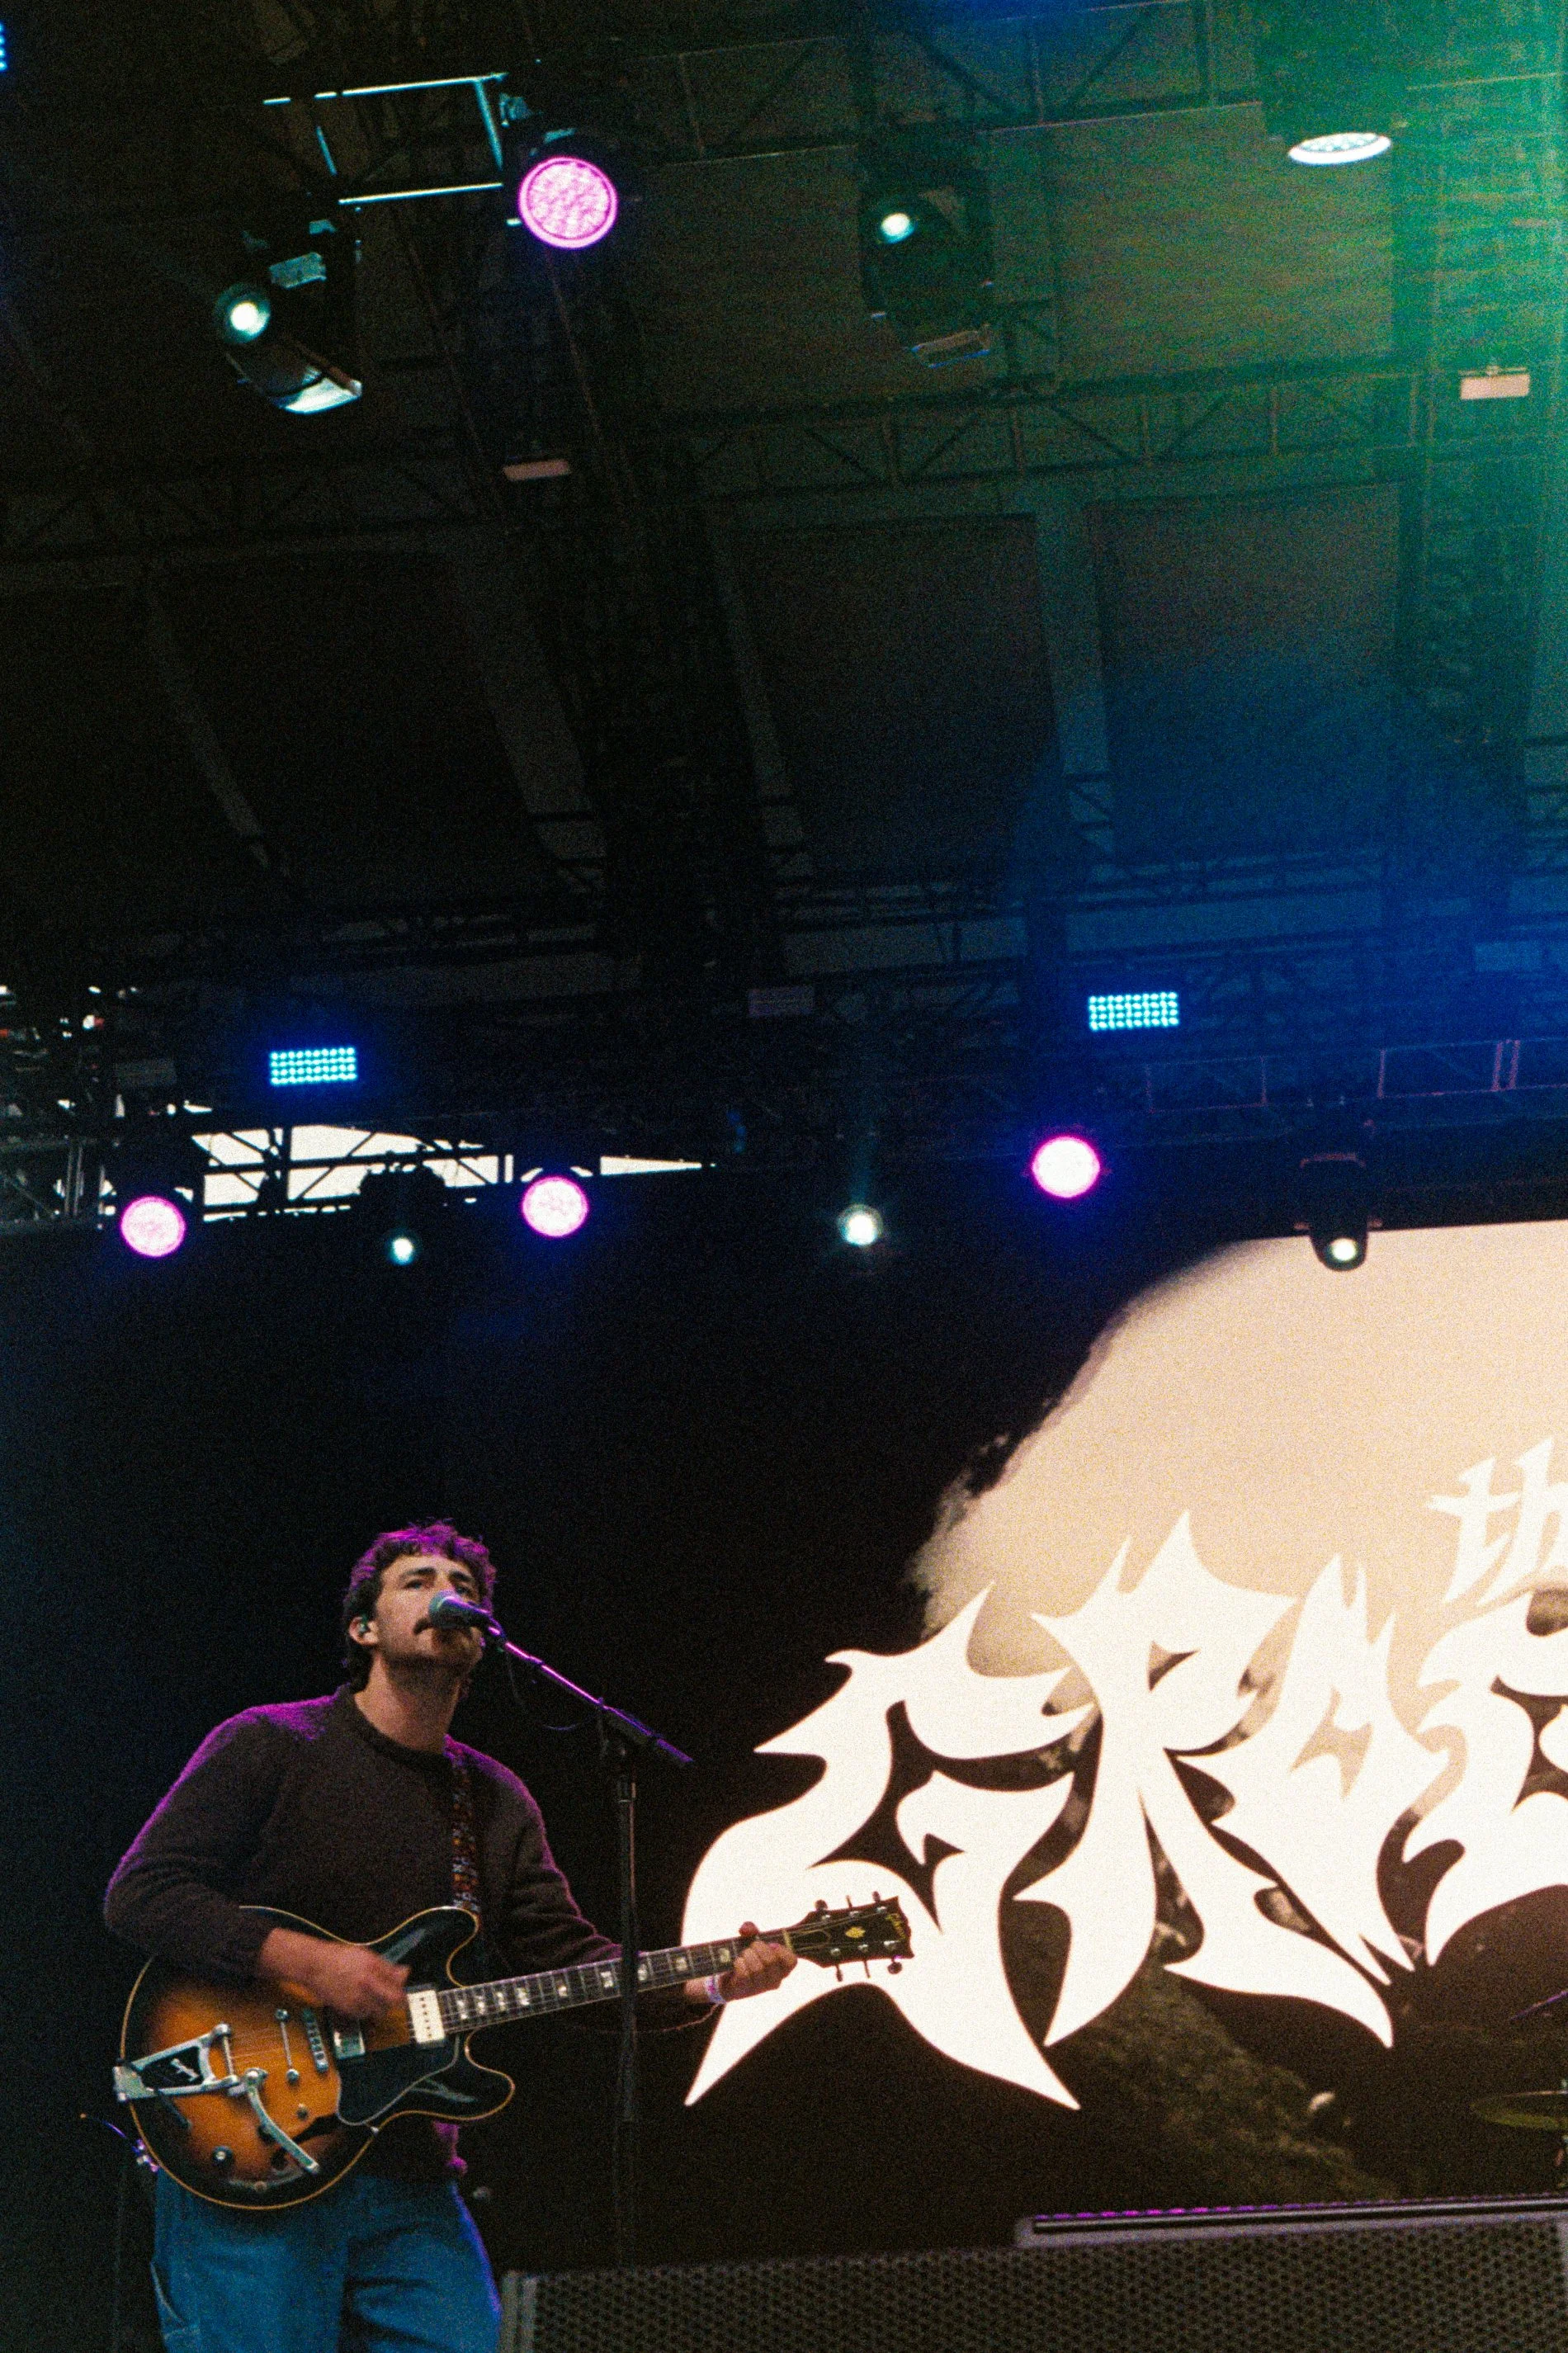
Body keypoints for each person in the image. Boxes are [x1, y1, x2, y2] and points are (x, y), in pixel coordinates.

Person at [105, 1522, 796, 2353]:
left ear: (482, 1638)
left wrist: (714, 1981)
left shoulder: (494, 1802)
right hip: (250, 2139)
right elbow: (142, 1893)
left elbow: (566, 1963)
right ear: (365, 1628)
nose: (448, 1590)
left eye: (463, 1582)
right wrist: (310, 1962)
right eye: (417, 1579)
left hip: (407, 2174)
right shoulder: (271, 1744)